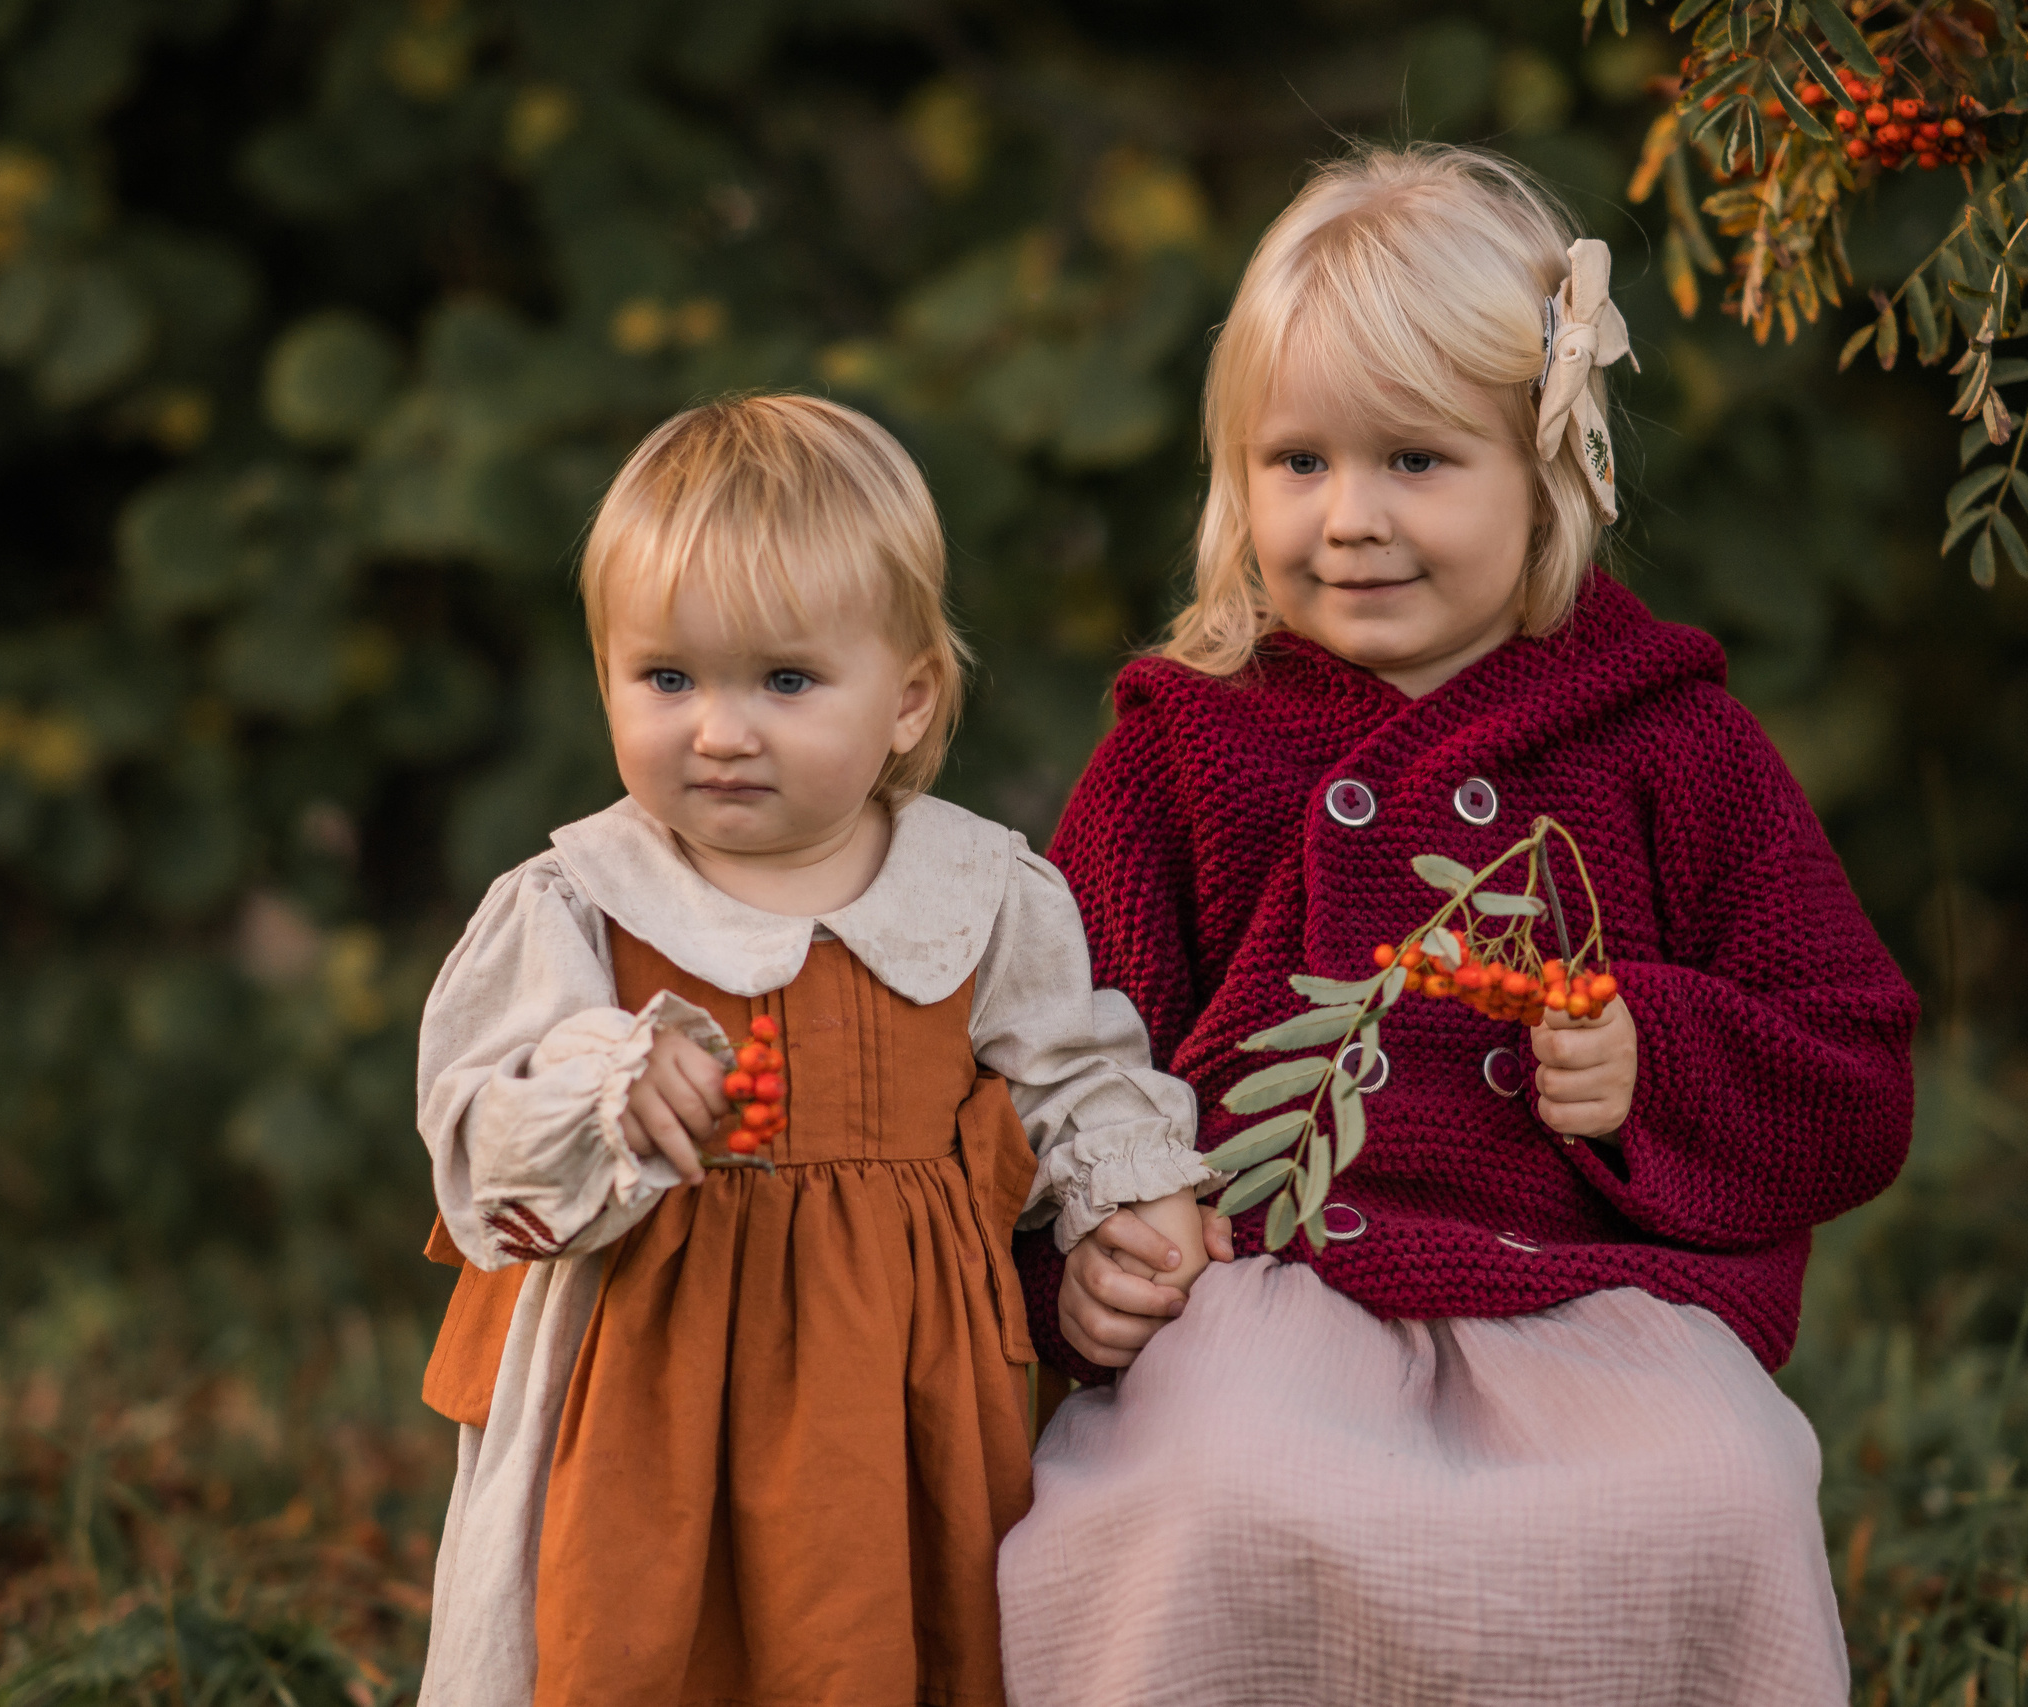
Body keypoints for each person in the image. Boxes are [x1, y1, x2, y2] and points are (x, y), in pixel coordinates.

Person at [1002, 145, 1917, 1705]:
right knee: (1212, 1492)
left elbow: (1852, 1075)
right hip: (1265, 1287)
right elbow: (1045, 1046)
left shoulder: (1664, 740)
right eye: (1298, 464)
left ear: (1547, 465)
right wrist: (1080, 1249)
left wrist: (1652, 1060)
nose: (1349, 519)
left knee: (1720, 1490)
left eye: (1416, 461)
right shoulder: (1189, 744)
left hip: (1590, 1301)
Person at [412, 394, 1216, 1707]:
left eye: (785, 681)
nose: (720, 729)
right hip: (637, 1386)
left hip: (887, 1383)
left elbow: (1074, 1068)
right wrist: (606, 1088)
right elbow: (478, 1136)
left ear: (905, 700)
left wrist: (1132, 1199)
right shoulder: (581, 903)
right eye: (666, 678)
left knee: (869, 1633)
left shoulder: (977, 892)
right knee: (622, 1637)